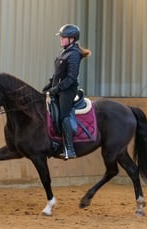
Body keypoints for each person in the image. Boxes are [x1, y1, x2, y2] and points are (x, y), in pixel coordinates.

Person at [43, 24, 91, 160]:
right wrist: (49, 85)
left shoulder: (74, 54)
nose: (61, 39)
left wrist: (56, 89)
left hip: (68, 90)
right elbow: (57, 74)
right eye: (61, 37)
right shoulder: (64, 52)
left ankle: (70, 149)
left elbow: (71, 77)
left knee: (63, 115)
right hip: (59, 88)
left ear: (72, 38)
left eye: (63, 37)